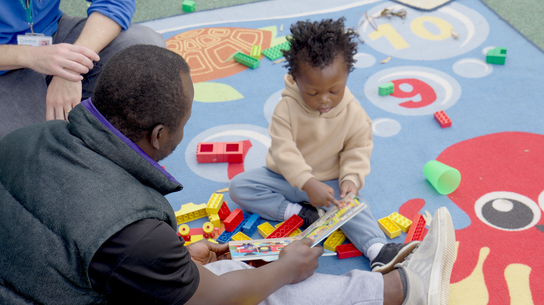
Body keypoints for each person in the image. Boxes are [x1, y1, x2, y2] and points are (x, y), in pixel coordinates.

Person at [0, 44, 455, 305]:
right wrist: (282, 270)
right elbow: (209, 301)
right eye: (184, 122)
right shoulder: (135, 232)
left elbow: (66, 236)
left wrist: (176, 258)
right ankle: (404, 289)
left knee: (235, 270)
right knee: (257, 287)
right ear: (160, 135)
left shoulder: (25, 138)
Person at [229, 18, 417, 274]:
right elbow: (284, 152)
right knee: (240, 187)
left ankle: (377, 250)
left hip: (329, 183)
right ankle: (300, 213)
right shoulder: (285, 108)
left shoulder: (354, 113)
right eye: (313, 93)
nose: (325, 100)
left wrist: (350, 179)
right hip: (284, 177)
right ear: (296, 80)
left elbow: (357, 150)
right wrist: (306, 183)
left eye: (334, 90)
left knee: (354, 207)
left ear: (347, 76)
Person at [0, 0, 166, 138]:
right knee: (29, 147)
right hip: (5, 64)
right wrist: (32, 56)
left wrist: (71, 67)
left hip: (52, 33)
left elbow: (114, 2)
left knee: (147, 52)